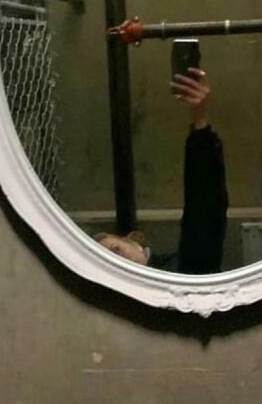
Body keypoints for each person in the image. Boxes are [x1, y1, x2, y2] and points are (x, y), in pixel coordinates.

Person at [95, 67, 228, 274]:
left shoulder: (182, 271)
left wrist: (200, 120)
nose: (116, 258)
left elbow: (205, 210)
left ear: (133, 241)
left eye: (114, 249)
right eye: (109, 261)